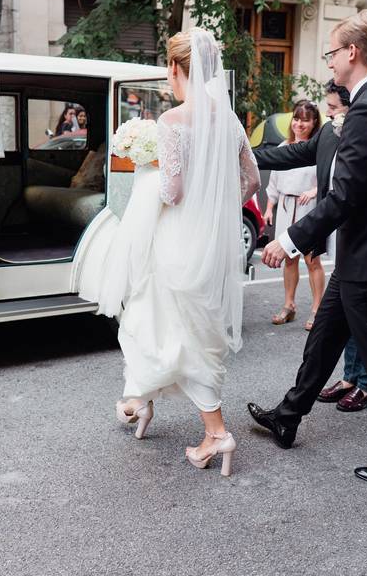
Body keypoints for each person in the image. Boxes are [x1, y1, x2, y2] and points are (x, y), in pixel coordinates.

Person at [247, 9, 367, 488]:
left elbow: (346, 195)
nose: (329, 62)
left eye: (332, 52)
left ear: (352, 52)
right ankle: (288, 416)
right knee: (326, 336)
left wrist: (288, 240)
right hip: (363, 257)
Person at [83, 28, 260, 477]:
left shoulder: (172, 122)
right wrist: (217, 210)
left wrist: (146, 171)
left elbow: (172, 192)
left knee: (167, 327)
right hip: (211, 246)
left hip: (176, 242)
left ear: (176, 68)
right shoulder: (232, 120)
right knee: (177, 325)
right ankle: (137, 402)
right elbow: (253, 181)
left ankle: (216, 433)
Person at [263, 100, 325, 330]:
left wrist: (314, 191)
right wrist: (270, 208)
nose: (299, 124)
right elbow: (274, 183)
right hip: (287, 206)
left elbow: (329, 179)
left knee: (312, 261)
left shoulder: (319, 149)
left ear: (314, 123)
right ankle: (289, 305)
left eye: (305, 120)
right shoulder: (283, 147)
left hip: (309, 209)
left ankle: (318, 310)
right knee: (289, 260)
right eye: (296, 119)